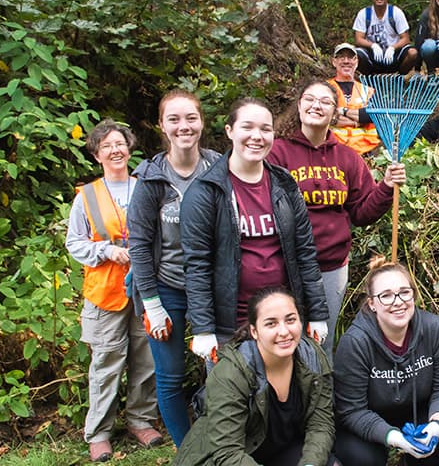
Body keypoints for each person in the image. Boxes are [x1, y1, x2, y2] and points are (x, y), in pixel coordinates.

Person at [181, 98, 330, 361]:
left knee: (284, 397)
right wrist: (203, 329)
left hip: (282, 323)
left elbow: (305, 251)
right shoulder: (206, 191)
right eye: (247, 127)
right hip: (231, 324)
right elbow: (197, 265)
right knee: (232, 399)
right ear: (230, 131)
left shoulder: (284, 184)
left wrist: (317, 314)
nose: (256, 137)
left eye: (265, 129)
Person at [267, 80, 405, 356]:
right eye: (309, 99)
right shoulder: (277, 152)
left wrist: (386, 187)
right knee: (282, 341)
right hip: (286, 264)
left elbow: (361, 212)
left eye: (325, 102)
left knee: (321, 340)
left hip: (331, 266)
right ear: (299, 105)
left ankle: (320, 398)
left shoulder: (347, 157)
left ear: (335, 113)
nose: (316, 106)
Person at [128, 90, 222, 447]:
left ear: (202, 122)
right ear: (162, 126)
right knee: (170, 377)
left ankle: (220, 443)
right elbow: (138, 244)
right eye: (174, 119)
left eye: (191, 118)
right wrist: (151, 304)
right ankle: (188, 451)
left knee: (220, 372)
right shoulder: (152, 179)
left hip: (212, 288)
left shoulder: (219, 169)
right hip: (164, 289)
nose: (184, 126)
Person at [65, 120, 162, 462]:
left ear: (130, 148)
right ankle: (99, 433)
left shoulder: (146, 187)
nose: (115, 150)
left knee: (146, 359)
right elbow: (74, 242)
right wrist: (106, 250)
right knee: (106, 362)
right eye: (106, 145)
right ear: (96, 154)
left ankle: (140, 420)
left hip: (145, 287)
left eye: (120, 143)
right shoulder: (87, 196)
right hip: (105, 292)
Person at [332, 259, 439, 465]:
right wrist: (394, 437)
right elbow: (351, 410)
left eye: (404, 292)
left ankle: (416, 460)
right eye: (386, 296)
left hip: (418, 410)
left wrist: (436, 425)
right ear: (372, 304)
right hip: (368, 416)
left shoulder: (433, 328)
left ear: (413, 294)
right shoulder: (355, 342)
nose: (398, 301)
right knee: (364, 459)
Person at [174, 288, 336, 466]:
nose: (284, 331)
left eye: (290, 320)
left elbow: (320, 424)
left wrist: (310, 463)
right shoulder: (230, 374)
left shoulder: (312, 356)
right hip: (224, 458)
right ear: (254, 331)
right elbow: (227, 452)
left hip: (280, 451)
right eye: (271, 324)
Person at [353, 0, 418, 75]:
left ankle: (400, 77)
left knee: (412, 53)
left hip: (393, 56)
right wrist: (373, 46)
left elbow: (406, 38)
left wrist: (393, 48)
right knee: (356, 55)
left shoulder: (396, 12)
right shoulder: (364, 14)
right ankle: (369, 78)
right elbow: (358, 39)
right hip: (373, 56)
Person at [328, 42, 381, 155]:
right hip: (333, 149)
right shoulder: (325, 88)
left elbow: (372, 115)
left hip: (365, 150)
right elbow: (327, 116)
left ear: (356, 62)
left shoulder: (368, 90)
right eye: (341, 57)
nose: (346, 61)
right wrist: (358, 120)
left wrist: (342, 111)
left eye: (350, 57)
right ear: (334, 62)